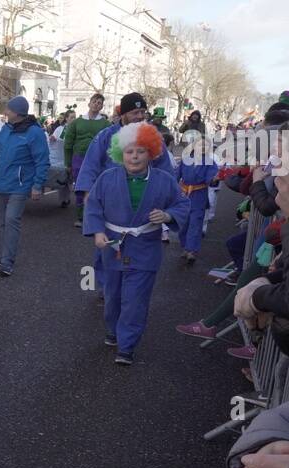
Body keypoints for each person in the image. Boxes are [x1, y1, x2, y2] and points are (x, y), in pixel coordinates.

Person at [83, 122, 190, 365]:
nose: (134, 156)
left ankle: (127, 346)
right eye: (130, 151)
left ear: (151, 153)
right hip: (112, 246)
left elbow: (182, 204)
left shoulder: (164, 180)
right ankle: (113, 330)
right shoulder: (107, 177)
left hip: (145, 248)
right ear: (121, 153)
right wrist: (97, 232)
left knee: (136, 299)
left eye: (140, 151)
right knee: (113, 296)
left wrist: (168, 215)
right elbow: (94, 206)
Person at [75, 92, 176, 291]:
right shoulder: (105, 136)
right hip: (110, 203)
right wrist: (87, 193)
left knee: (139, 247)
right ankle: (107, 288)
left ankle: (132, 287)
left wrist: (167, 202)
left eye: (142, 112)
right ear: (123, 114)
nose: (139, 116)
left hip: (142, 201)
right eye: (134, 112)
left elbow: (165, 171)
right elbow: (91, 164)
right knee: (107, 247)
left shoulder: (153, 138)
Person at [0, 95, 50, 277]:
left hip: (19, 187)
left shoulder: (34, 133)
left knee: (12, 221)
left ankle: (7, 263)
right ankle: (6, 255)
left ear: (18, 113)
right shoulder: (6, 128)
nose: (5, 112)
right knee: (3, 223)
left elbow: (42, 161)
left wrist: (37, 185)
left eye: (9, 110)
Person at [63, 94, 109, 226]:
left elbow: (110, 145)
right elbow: (68, 143)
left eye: (99, 103)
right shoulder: (77, 122)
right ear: (89, 103)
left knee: (96, 188)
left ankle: (94, 216)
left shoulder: (106, 124)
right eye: (94, 101)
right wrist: (67, 163)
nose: (96, 104)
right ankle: (80, 217)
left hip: (98, 160)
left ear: (101, 106)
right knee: (80, 187)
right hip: (79, 158)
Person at [175, 136, 219, 264]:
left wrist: (214, 179)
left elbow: (211, 178)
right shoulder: (186, 160)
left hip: (199, 195)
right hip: (183, 196)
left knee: (196, 223)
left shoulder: (210, 162)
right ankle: (185, 246)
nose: (203, 147)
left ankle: (191, 250)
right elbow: (176, 176)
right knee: (183, 224)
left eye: (206, 145)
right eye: (200, 145)